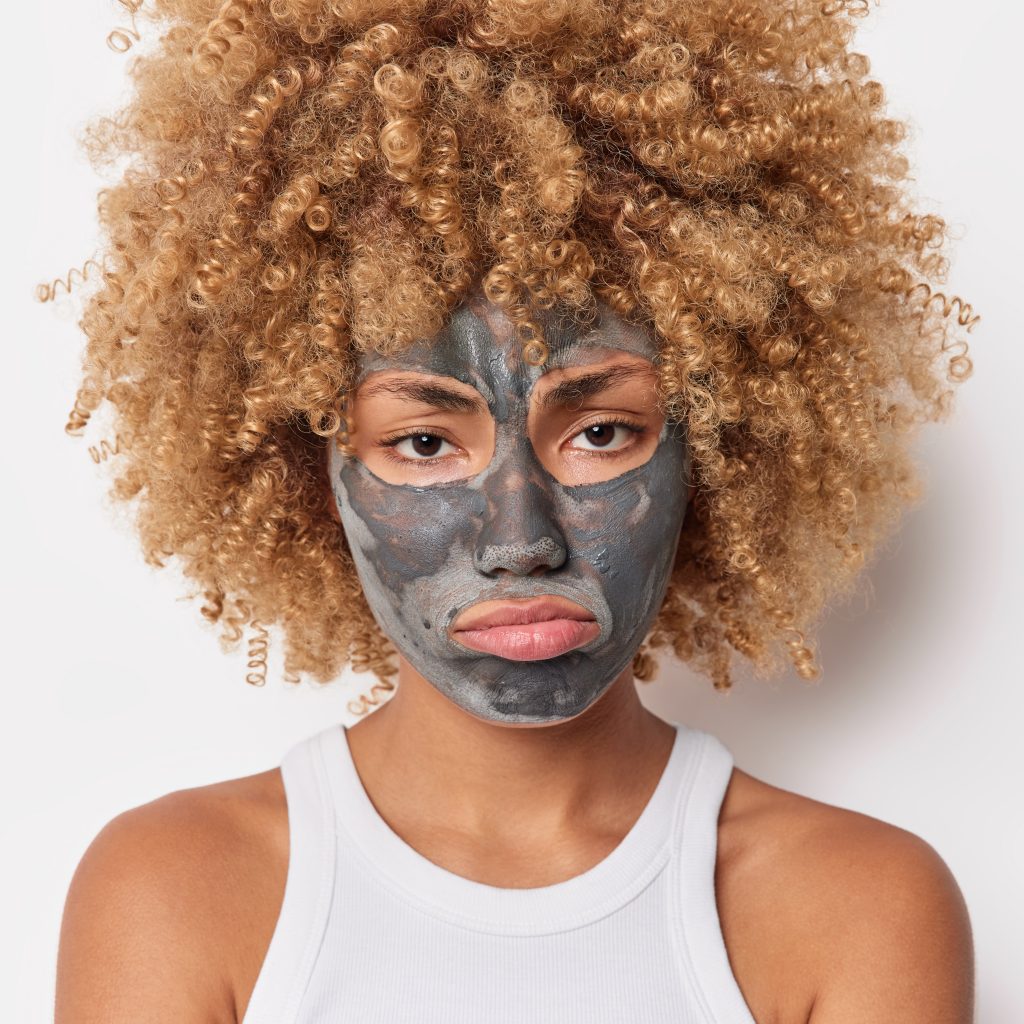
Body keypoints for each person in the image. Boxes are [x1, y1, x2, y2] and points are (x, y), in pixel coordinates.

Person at [50, 0, 976, 1021]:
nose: (520, 539)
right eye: (424, 442)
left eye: (600, 433)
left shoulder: (853, 905)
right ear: (306, 464)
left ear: (716, 451)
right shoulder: (178, 894)